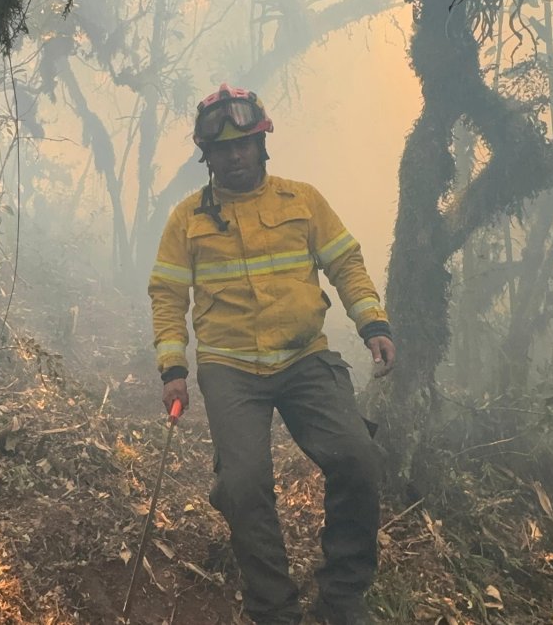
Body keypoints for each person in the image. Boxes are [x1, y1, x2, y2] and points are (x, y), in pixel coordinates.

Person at [147, 84, 396, 625]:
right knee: (242, 486)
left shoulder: (303, 201)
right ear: (207, 156)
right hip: (229, 367)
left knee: (358, 459)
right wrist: (173, 370)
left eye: (244, 144)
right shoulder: (187, 219)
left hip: (305, 358)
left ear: (262, 145)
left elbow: (346, 263)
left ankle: (342, 596)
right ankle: (274, 609)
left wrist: (372, 322)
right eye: (222, 149)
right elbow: (167, 296)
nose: (234, 156)